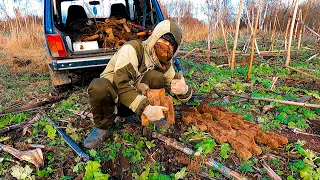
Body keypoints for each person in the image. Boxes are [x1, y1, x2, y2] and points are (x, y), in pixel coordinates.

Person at [84, 20, 192, 148]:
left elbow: (177, 88)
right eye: (164, 39)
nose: (166, 45)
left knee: (156, 77)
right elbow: (121, 84)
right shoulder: (133, 49)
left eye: (171, 43)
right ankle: (103, 127)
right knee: (99, 87)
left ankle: (153, 118)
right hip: (114, 99)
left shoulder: (165, 66)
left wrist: (183, 89)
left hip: (133, 105)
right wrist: (146, 108)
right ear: (155, 37)